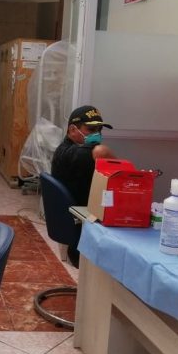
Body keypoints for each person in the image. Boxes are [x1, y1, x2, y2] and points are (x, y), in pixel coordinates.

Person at [50, 105, 116, 267]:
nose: (97, 134)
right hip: (83, 228)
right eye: (91, 129)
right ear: (73, 130)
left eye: (99, 130)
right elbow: (102, 153)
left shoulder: (64, 150)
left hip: (75, 223)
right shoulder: (76, 154)